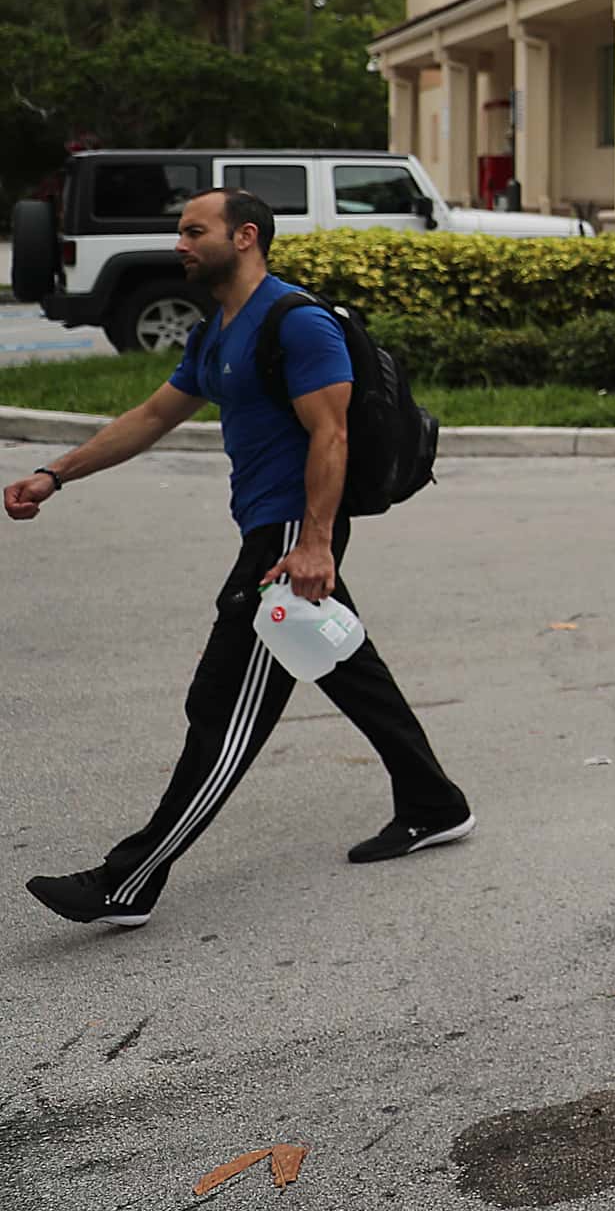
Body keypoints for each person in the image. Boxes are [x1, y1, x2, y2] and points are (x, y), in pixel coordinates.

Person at [7, 187, 471, 929]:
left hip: (290, 536)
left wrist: (315, 544)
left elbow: (332, 436)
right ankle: (435, 802)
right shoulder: (218, 328)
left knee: (224, 710)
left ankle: (128, 882)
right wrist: (57, 473)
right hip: (274, 531)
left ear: (245, 236)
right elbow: (154, 415)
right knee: (348, 668)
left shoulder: (297, 323)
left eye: (195, 230)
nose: (180, 244)